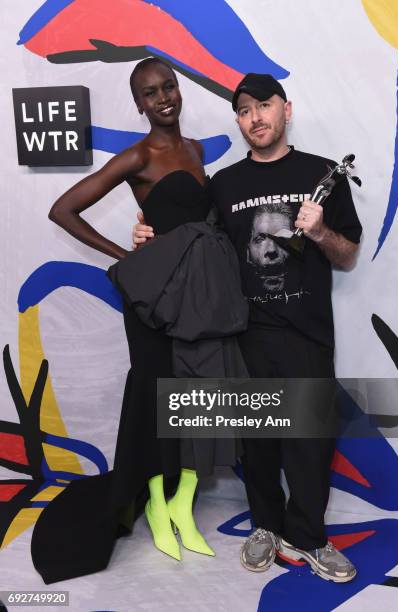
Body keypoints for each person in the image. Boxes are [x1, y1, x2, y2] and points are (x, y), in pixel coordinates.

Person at [133, 72, 362, 582]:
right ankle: (266, 526)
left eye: (264, 105)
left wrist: (320, 229)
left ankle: (309, 537)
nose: (255, 117)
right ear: (238, 120)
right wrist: (148, 231)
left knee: (308, 443)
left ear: (286, 109)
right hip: (243, 335)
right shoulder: (224, 185)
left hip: (306, 332)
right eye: (244, 110)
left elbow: (347, 256)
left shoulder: (323, 174)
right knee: (257, 443)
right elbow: (190, 238)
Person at [47, 57, 244, 564]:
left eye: (169, 87)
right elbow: (62, 209)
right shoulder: (137, 157)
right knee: (157, 400)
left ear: (180, 91)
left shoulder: (197, 151)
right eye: (151, 92)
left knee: (196, 398)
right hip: (155, 303)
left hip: (199, 301)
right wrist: (126, 253)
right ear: (139, 104)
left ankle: (182, 503)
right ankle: (156, 503)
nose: (163, 98)